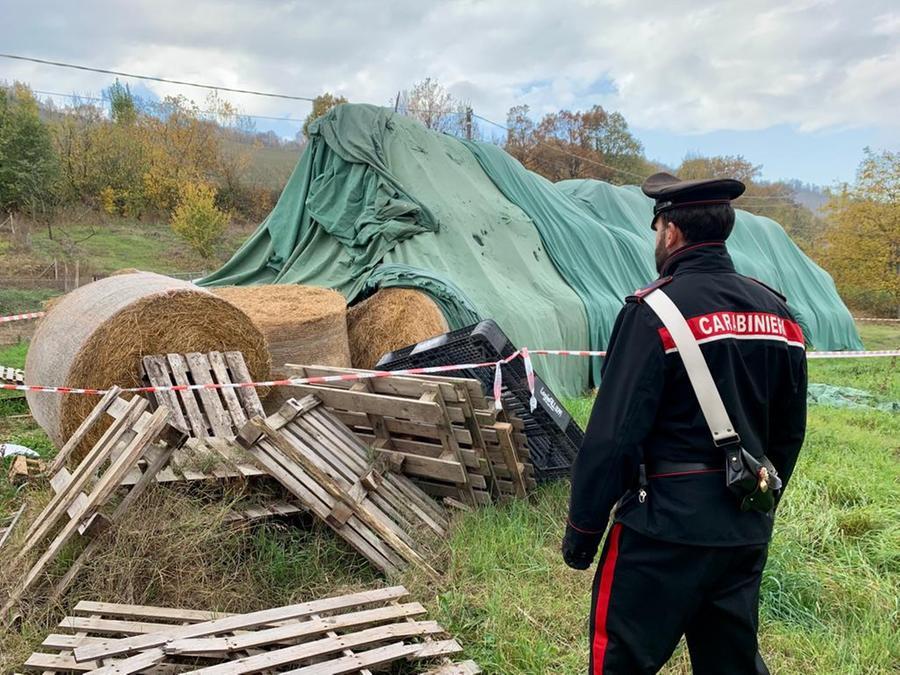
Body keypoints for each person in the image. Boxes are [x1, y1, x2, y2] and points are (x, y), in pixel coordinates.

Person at [562, 172, 808, 674]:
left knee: (621, 662)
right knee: (731, 663)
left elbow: (613, 436)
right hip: (744, 526)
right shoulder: (780, 314)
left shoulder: (654, 310)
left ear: (670, 231)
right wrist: (759, 498)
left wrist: (582, 531)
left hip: (662, 530)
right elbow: (789, 431)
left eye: (657, 230)